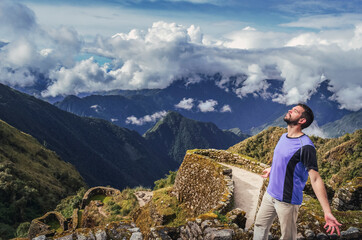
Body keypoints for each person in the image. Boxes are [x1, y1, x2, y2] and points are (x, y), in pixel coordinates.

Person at [253, 103, 341, 240]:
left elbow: (316, 179)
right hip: (269, 194)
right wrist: (272, 169)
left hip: (287, 201)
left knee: (287, 237)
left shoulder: (306, 147)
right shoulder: (283, 137)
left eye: (294, 111)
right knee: (259, 226)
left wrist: (327, 211)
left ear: (302, 120)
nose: (289, 110)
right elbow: (283, 158)